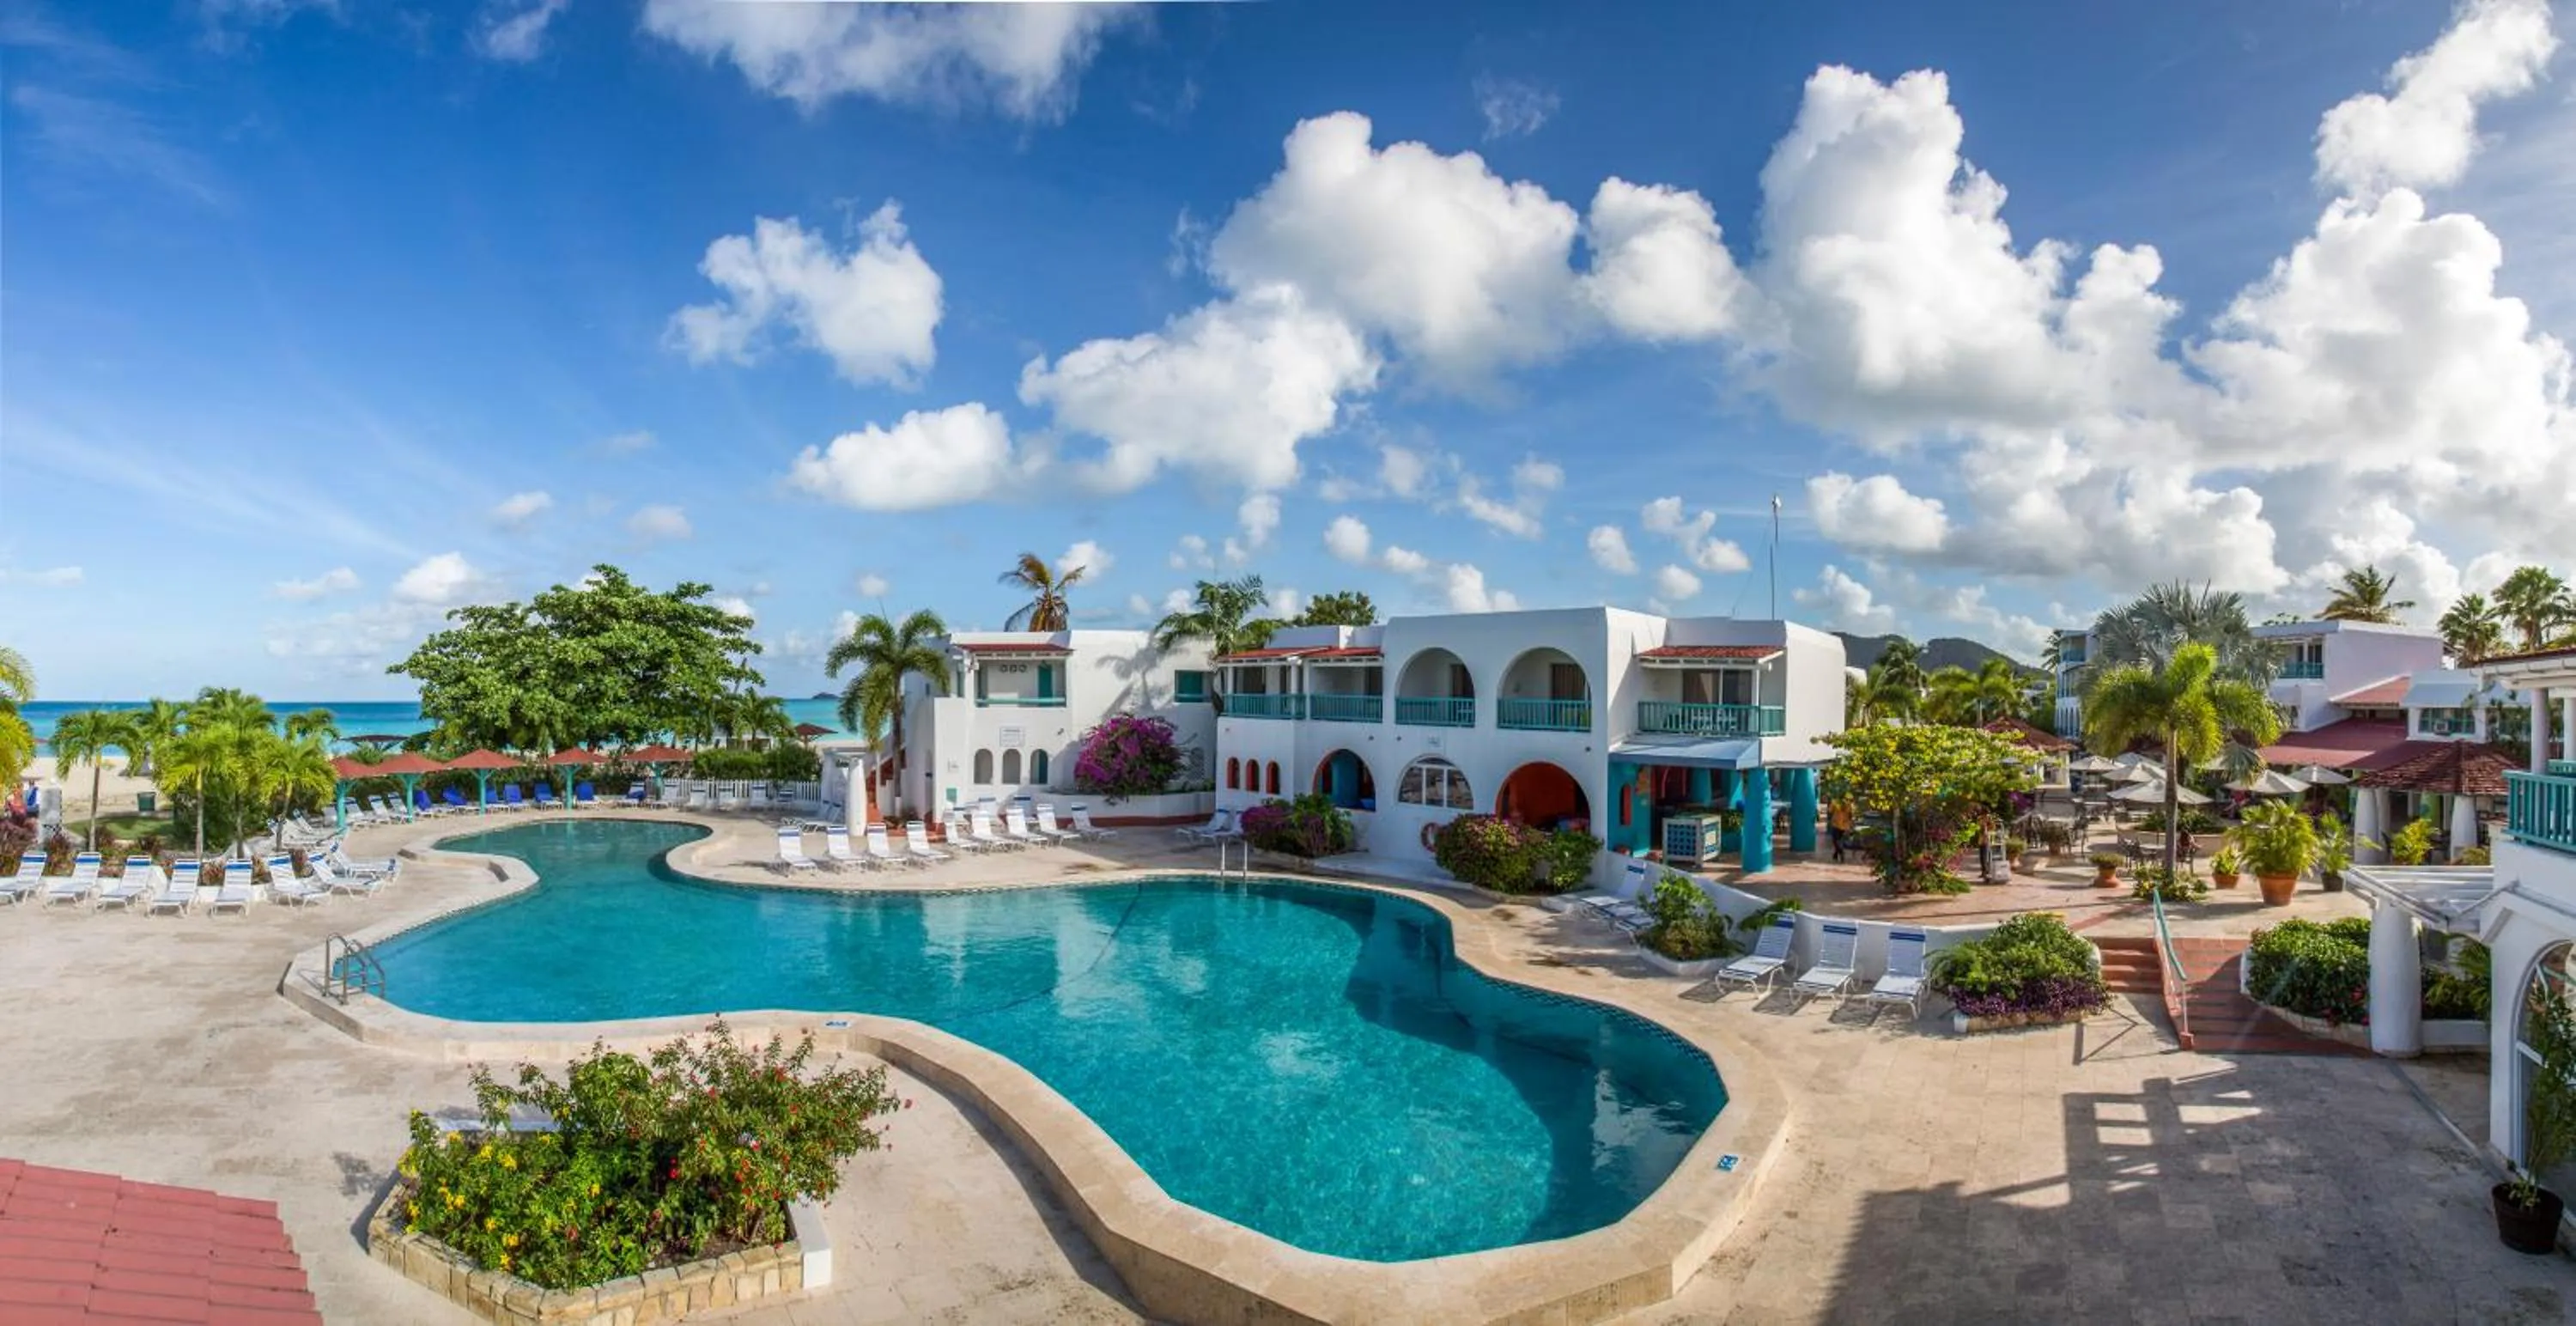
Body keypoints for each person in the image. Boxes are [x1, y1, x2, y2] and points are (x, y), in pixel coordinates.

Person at [1827, 799, 1855, 864]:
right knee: (1840, 840)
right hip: (1845, 825)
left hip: (1836, 824)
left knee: (1835, 840)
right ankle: (1836, 854)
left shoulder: (1835, 802)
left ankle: (1841, 852)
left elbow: (1830, 811)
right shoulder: (1849, 803)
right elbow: (1851, 815)